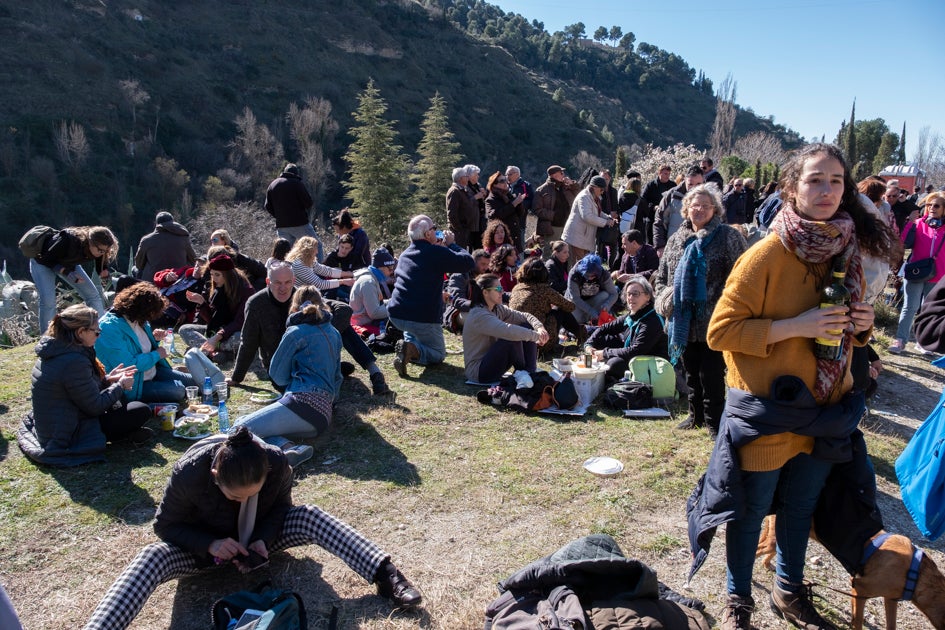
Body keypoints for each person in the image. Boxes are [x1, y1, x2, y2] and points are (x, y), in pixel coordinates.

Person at [701, 143, 897, 629]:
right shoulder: (765, 255)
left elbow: (844, 331)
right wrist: (798, 325)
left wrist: (863, 324)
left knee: (799, 510)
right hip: (771, 411)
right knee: (749, 514)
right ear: (792, 188)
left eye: (836, 180)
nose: (827, 190)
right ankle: (738, 599)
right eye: (815, 179)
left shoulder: (847, 248)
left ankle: (787, 591)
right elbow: (719, 333)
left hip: (827, 410)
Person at [83, 426, 422, 629]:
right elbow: (166, 526)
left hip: (259, 538)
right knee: (151, 557)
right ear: (216, 477)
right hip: (201, 551)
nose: (242, 500)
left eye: (252, 494)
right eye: (234, 496)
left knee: (310, 515)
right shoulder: (189, 473)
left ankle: (386, 574)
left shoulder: (276, 461)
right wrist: (211, 544)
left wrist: (262, 539)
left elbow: (282, 509)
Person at [653, 184, 747, 436]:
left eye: (705, 206)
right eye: (694, 205)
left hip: (713, 319)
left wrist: (727, 307)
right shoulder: (675, 240)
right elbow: (661, 278)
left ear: (715, 209)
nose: (699, 210)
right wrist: (666, 299)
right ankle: (695, 416)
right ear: (685, 209)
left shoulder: (728, 237)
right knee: (691, 371)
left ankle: (715, 421)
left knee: (712, 373)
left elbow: (743, 276)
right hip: (682, 319)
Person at [229, 262, 392, 396]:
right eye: (277, 283)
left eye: (287, 282)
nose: (283, 288)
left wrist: (323, 333)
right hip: (282, 364)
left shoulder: (301, 296)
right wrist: (237, 377)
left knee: (343, 326)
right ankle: (330, 371)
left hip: (308, 353)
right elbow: (248, 342)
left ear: (293, 281)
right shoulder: (256, 304)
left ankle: (375, 372)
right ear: (268, 282)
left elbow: (343, 309)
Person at [17, 304, 150, 466]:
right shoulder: (74, 361)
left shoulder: (58, 349)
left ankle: (127, 432)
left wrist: (108, 380)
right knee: (139, 410)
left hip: (57, 424)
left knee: (125, 404)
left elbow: (77, 389)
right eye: (96, 332)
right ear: (80, 332)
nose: (98, 336)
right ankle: (122, 435)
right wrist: (120, 385)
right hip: (68, 433)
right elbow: (94, 406)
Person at [233, 286, 342, 466]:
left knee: (240, 427)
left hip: (302, 403)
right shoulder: (334, 332)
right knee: (265, 430)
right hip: (323, 416)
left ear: (294, 306)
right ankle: (287, 448)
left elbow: (277, 375)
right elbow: (337, 377)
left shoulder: (295, 332)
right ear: (322, 304)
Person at [387, 215, 475, 377]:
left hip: (396, 315)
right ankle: (412, 350)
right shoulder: (435, 251)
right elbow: (468, 262)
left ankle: (409, 345)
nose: (436, 231)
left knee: (413, 330)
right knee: (438, 353)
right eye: (434, 228)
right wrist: (452, 244)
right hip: (422, 317)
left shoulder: (406, 254)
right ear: (427, 234)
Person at [96, 283, 198, 403]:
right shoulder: (108, 329)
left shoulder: (139, 319)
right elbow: (128, 365)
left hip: (153, 371)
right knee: (179, 391)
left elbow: (138, 346)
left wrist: (154, 339)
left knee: (194, 382)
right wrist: (157, 354)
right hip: (134, 384)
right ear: (140, 310)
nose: (150, 319)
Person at [28, 225, 117, 333]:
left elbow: (99, 259)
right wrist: (68, 273)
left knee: (93, 295)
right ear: (90, 242)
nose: (102, 253)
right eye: (100, 250)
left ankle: (101, 332)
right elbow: (46, 258)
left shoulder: (99, 250)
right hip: (42, 262)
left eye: (105, 251)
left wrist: (103, 270)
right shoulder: (68, 239)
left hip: (69, 264)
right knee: (48, 301)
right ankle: (47, 338)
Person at [463, 274, 547, 383]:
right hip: (479, 373)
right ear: (485, 292)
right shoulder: (479, 315)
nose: (502, 292)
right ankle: (526, 372)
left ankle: (530, 371)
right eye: (498, 289)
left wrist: (539, 327)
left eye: (501, 288)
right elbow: (508, 331)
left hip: (492, 362)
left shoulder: (497, 308)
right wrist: (536, 336)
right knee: (511, 339)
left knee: (525, 325)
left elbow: (524, 316)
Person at [889, 190, 945, 354]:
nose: (932, 208)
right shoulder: (918, 223)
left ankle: (923, 342)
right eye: (929, 205)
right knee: (910, 307)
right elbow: (904, 243)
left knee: (928, 310)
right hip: (915, 271)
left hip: (938, 274)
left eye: (936, 205)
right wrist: (910, 224)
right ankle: (900, 340)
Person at [586, 276, 668, 382]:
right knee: (601, 340)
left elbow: (636, 351)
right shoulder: (632, 315)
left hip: (651, 363)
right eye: (629, 294)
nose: (631, 298)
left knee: (614, 364)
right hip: (634, 355)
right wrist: (589, 345)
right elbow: (603, 328)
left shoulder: (652, 320)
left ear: (647, 296)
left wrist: (605, 353)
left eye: (636, 294)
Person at [179, 254, 255, 362]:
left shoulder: (246, 290)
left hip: (232, 332)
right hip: (216, 332)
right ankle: (218, 353)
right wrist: (201, 302)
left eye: (217, 275)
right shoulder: (218, 289)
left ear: (228, 275)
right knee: (185, 329)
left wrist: (217, 337)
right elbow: (213, 320)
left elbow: (240, 322)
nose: (214, 278)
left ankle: (206, 351)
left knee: (242, 337)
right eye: (212, 274)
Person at [509, 257, 582, 356]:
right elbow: (570, 307)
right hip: (540, 342)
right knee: (559, 310)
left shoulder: (517, 288)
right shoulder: (544, 290)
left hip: (518, 345)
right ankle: (582, 336)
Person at [562, 175, 615, 264]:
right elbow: (587, 216)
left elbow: (598, 212)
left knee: (582, 263)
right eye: (601, 190)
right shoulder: (584, 197)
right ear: (594, 187)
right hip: (577, 237)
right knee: (579, 264)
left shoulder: (594, 197)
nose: (602, 192)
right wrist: (606, 222)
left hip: (584, 237)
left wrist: (608, 217)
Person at [134, 212, 197, 283]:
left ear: (156, 224)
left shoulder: (147, 240)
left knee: (135, 270)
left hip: (154, 282)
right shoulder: (183, 237)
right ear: (172, 222)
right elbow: (193, 260)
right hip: (179, 280)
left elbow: (139, 264)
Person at [264, 163, 318, 246]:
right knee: (314, 245)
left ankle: (280, 260)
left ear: (284, 172)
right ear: (296, 174)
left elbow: (267, 206)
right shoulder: (297, 183)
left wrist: (279, 216)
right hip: (300, 223)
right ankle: (320, 260)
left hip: (281, 225)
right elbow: (308, 203)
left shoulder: (273, 184)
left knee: (284, 250)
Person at [654, 165, 704, 254]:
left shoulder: (711, 199)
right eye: (691, 184)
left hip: (701, 250)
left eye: (698, 184)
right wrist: (660, 246)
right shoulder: (672, 195)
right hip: (674, 249)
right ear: (685, 181)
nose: (694, 188)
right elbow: (659, 221)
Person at [350, 247, 397, 335]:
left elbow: (378, 302)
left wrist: (394, 301)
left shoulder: (372, 278)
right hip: (365, 323)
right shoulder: (368, 282)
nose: (392, 272)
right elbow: (374, 313)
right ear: (381, 267)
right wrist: (398, 309)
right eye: (390, 268)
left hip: (368, 319)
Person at [443, 249, 491, 334]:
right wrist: (479, 305)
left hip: (481, 310)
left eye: (487, 264)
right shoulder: (459, 276)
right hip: (458, 313)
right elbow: (457, 301)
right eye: (483, 264)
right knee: (482, 319)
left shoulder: (486, 277)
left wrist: (511, 295)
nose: (486, 268)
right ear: (473, 262)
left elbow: (498, 290)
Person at [285, 235, 355, 292]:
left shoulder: (308, 260)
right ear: (309, 250)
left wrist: (351, 274)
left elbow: (326, 270)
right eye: (315, 249)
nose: (317, 252)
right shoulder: (299, 265)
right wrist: (343, 281)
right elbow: (320, 284)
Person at [533, 165, 580, 248]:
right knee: (549, 253)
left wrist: (572, 184)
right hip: (552, 227)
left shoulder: (567, 187)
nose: (563, 175)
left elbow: (579, 194)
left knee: (567, 254)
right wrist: (554, 215)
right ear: (554, 175)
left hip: (568, 226)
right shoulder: (542, 190)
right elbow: (537, 210)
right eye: (561, 173)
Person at [565, 253, 619, 325]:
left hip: (594, 300)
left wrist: (607, 305)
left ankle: (596, 318)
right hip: (576, 303)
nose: (589, 277)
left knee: (605, 295)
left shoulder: (604, 274)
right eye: (586, 275)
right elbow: (575, 298)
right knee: (575, 319)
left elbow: (614, 293)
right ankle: (589, 318)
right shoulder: (574, 274)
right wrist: (591, 311)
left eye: (592, 275)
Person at [485, 171, 526, 252]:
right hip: (501, 240)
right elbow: (494, 216)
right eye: (502, 181)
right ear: (494, 184)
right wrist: (513, 204)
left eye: (506, 180)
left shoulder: (509, 195)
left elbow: (520, 214)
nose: (506, 182)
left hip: (515, 238)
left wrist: (519, 202)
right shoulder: (490, 199)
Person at [638, 165, 675, 245]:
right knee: (651, 243)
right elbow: (643, 200)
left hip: (667, 219)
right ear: (659, 173)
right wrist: (653, 207)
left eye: (669, 174)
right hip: (652, 218)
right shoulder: (650, 185)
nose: (667, 176)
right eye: (665, 174)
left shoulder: (672, 185)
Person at [446, 166, 478, 251]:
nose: (468, 178)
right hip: (459, 232)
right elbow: (452, 214)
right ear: (461, 178)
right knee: (459, 253)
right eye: (466, 176)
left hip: (465, 230)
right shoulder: (455, 191)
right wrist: (459, 230)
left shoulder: (462, 190)